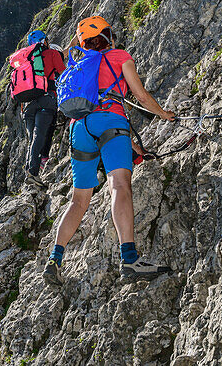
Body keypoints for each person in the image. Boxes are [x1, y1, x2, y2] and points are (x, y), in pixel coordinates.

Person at [43, 16, 174, 284]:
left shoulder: (77, 63)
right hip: (110, 120)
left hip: (79, 129)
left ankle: (55, 259)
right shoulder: (119, 56)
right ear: (107, 35)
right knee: (119, 186)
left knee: (79, 201)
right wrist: (162, 114)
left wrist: (135, 150)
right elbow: (140, 96)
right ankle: (129, 258)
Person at [19, 30, 65, 189]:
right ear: (45, 41)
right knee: (40, 135)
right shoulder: (52, 53)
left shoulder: (26, 59)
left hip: (28, 104)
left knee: (32, 139)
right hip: (47, 99)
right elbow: (63, 74)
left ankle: (30, 173)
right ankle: (33, 173)